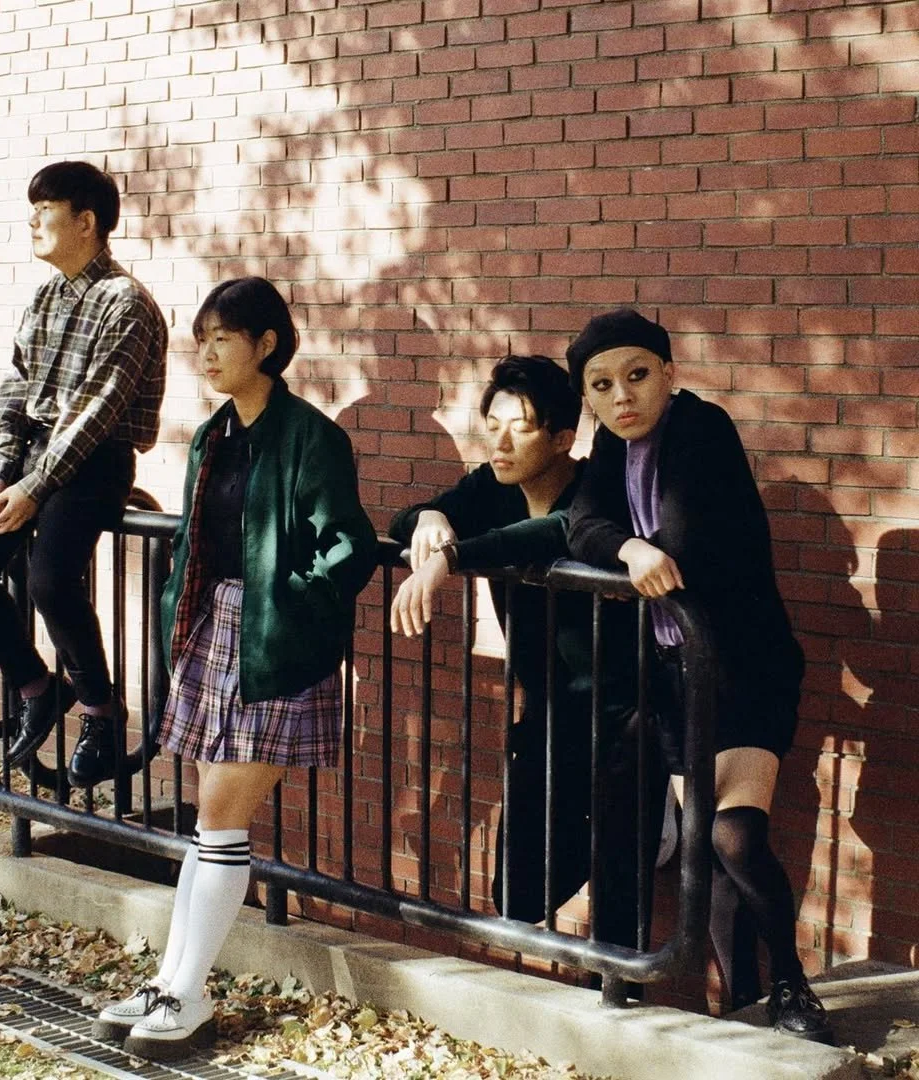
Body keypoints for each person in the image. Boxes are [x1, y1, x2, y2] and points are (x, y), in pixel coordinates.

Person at [92, 277, 377, 1061]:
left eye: (224, 337)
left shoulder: (311, 437)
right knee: (207, 821)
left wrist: (293, 602)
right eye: (203, 338)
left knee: (218, 816)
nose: (208, 352)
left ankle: (186, 992)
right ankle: (174, 983)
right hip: (214, 634)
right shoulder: (217, 432)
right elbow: (197, 537)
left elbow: (346, 545)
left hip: (274, 642)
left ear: (268, 345)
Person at [565, 308, 833, 1042]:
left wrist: (642, 548)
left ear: (670, 375)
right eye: (602, 385)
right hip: (679, 677)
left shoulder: (700, 428)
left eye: (637, 375)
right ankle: (745, 999)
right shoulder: (610, 456)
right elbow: (579, 527)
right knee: (705, 841)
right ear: (587, 399)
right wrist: (627, 550)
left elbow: (681, 541)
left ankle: (792, 989)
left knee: (734, 837)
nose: (623, 395)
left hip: (745, 664)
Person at [388, 356, 662, 958]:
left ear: (563, 438)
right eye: (493, 424)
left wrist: (450, 558)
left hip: (624, 714)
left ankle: (617, 1011)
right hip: (546, 712)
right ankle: (639, 839)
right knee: (516, 890)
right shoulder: (492, 487)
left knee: (619, 901)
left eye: (522, 427)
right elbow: (403, 518)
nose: (501, 441)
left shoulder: (594, 485)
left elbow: (558, 532)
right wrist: (433, 518)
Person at [0, 160, 167, 788]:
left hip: (95, 461)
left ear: (87, 222)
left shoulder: (128, 304)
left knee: (49, 580)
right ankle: (38, 687)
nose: (33, 221)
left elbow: (96, 410)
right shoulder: (44, 296)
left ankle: (100, 709)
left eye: (46, 210)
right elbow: (16, 388)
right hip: (31, 459)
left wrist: (34, 490)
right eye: (32, 210)